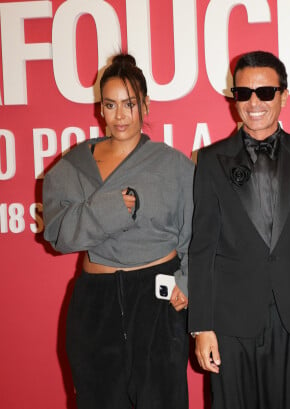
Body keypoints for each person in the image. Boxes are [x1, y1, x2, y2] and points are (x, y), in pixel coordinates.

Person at [43, 54, 194, 409]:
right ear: (101, 109)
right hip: (95, 302)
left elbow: (197, 233)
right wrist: (111, 209)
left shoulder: (172, 164)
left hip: (157, 299)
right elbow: (59, 234)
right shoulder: (73, 165)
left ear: (145, 105)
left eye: (129, 104)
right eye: (110, 105)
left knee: (163, 400)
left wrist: (189, 281)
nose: (120, 116)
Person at [188, 51, 290, 409]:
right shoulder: (209, 160)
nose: (254, 102)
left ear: (283, 96)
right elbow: (202, 247)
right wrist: (202, 326)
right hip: (230, 321)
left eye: (266, 92)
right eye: (243, 93)